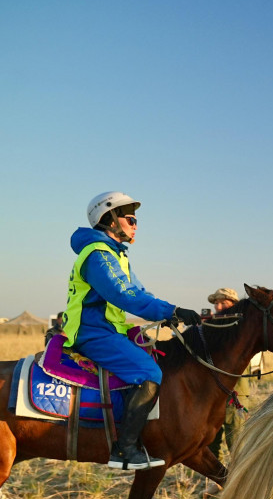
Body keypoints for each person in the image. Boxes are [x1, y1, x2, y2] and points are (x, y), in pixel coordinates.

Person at [65, 192, 202, 470]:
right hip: (93, 332)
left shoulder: (117, 255)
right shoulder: (99, 255)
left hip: (110, 330)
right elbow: (124, 295)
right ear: (110, 219)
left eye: (135, 219)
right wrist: (170, 311)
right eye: (130, 219)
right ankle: (125, 448)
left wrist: (169, 311)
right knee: (149, 373)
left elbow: (140, 292)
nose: (135, 224)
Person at [205, 288, 251, 462]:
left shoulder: (242, 328)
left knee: (236, 441)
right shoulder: (210, 325)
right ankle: (216, 480)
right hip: (212, 395)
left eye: (224, 302)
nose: (219, 306)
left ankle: (241, 482)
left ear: (234, 305)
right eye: (216, 303)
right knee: (210, 441)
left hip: (235, 394)